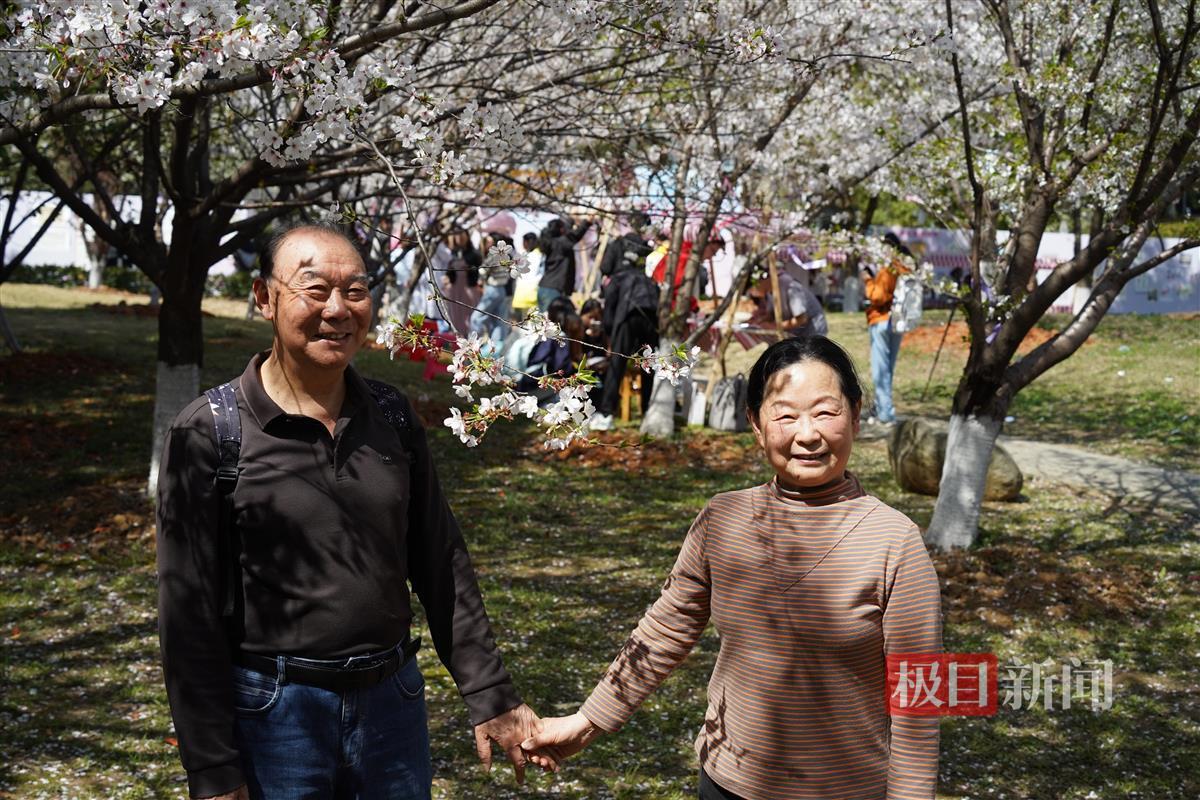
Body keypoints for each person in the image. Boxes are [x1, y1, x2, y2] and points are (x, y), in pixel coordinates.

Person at [156, 224, 547, 800]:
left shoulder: (389, 415)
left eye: (356, 291)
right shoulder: (212, 430)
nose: (337, 310)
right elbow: (186, 612)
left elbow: (440, 561)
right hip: (274, 715)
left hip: (393, 706)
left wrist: (489, 691)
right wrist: (212, 766)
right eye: (314, 290)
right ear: (265, 298)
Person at [523, 336, 943, 800]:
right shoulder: (722, 519)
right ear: (756, 425)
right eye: (785, 415)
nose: (807, 433)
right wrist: (587, 722)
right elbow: (666, 628)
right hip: (727, 784)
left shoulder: (894, 539)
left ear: (856, 415)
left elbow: (919, 698)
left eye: (826, 412)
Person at [589, 252, 660, 431]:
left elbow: (609, 313)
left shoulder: (618, 278)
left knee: (616, 365)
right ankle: (648, 413)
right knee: (648, 366)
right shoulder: (649, 281)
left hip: (627, 317)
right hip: (651, 321)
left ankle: (605, 414)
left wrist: (610, 335)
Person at [862, 232, 912, 425]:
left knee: (880, 369)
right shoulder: (904, 268)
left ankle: (884, 412)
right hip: (898, 321)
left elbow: (877, 296)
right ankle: (883, 407)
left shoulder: (888, 268)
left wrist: (868, 280)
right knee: (888, 368)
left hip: (881, 320)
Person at [746, 269, 827, 338]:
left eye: (753, 289)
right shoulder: (770, 291)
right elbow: (772, 314)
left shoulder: (790, 286)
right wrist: (759, 321)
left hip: (812, 331)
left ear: (762, 281)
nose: (752, 293)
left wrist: (775, 326)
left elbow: (802, 319)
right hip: (795, 334)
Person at [537, 215, 593, 311]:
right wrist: (586, 222)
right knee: (551, 324)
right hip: (554, 290)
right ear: (561, 230)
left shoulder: (552, 243)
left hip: (545, 288)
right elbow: (574, 236)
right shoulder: (560, 244)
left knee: (545, 323)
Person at [469, 232, 516, 344]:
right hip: (503, 290)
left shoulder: (494, 255)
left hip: (492, 289)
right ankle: (496, 350)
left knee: (476, 318)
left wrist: (481, 278)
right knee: (499, 322)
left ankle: (473, 343)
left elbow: (483, 270)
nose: (487, 243)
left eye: (489, 241)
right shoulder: (508, 255)